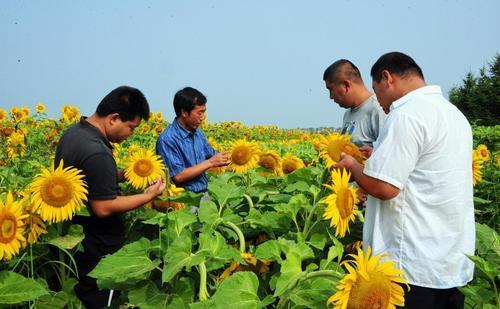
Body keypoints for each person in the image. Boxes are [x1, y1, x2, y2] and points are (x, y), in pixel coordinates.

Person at [336, 52, 474, 308]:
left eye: (378, 93)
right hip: (448, 261)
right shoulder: (454, 115)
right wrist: (378, 155)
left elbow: (385, 187)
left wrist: (353, 166)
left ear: (387, 77)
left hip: (411, 266)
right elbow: (426, 169)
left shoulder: (407, 114)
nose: (381, 104)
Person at [55, 86, 166, 308]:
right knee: (100, 300)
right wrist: (148, 195)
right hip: (99, 246)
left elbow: (87, 176)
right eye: (131, 127)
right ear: (114, 118)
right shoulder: (97, 150)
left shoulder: (74, 133)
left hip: (77, 240)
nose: (130, 134)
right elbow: (103, 206)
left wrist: (124, 174)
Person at [156, 87, 228, 193]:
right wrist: (210, 162)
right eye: (199, 113)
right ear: (184, 112)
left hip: (205, 193)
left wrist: (237, 157)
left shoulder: (198, 133)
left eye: (204, 112)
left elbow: (212, 154)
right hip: (183, 200)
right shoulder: (167, 139)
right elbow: (178, 176)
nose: (203, 117)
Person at [323, 59, 386, 147]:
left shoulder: (379, 109)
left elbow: (388, 154)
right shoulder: (347, 114)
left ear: (346, 85)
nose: (330, 96)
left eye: (331, 89)